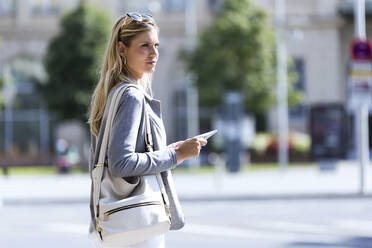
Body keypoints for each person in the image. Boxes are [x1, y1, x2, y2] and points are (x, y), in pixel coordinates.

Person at [87, 13, 207, 248]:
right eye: (144, 46)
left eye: (155, 45)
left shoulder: (115, 92)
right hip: (139, 225)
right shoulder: (131, 95)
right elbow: (121, 162)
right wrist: (176, 155)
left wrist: (171, 149)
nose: (154, 53)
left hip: (125, 224)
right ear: (122, 49)